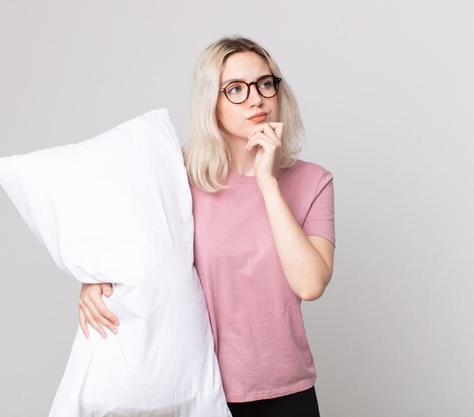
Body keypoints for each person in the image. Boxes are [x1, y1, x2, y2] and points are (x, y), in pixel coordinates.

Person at [78, 35, 335, 417]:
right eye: (235, 89)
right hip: (194, 389)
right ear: (210, 103)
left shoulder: (312, 181)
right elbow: (133, 255)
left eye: (265, 83)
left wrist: (266, 181)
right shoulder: (176, 179)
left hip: (285, 391)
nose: (256, 98)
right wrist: (94, 282)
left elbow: (310, 284)